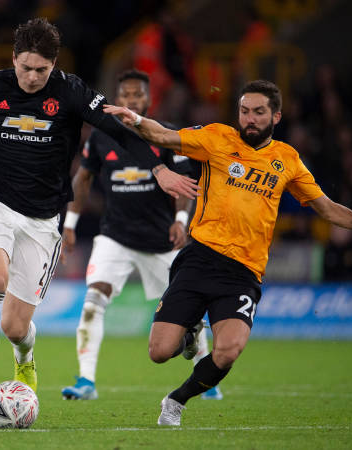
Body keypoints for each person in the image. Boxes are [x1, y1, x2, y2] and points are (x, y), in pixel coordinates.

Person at [0, 18, 199, 420]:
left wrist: (158, 168)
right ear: (14, 59)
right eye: (25, 68)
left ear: (54, 64)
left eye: (40, 70)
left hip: (42, 220)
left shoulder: (72, 91)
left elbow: (119, 131)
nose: (31, 77)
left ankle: (24, 355)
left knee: (14, 326)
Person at [103, 79, 352, 426]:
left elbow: (324, 207)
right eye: (244, 111)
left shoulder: (287, 159)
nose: (250, 118)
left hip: (243, 272)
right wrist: (138, 121)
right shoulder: (217, 138)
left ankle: (177, 400)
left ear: (276, 116)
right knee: (159, 352)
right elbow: (164, 136)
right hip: (200, 258)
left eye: (259, 112)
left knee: (228, 351)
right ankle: (190, 332)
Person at [59, 69, 222, 401]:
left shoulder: (165, 135)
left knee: (189, 313)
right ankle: (86, 381)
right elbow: (83, 180)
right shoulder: (100, 137)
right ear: (117, 99)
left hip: (161, 239)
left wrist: (180, 220)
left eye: (137, 95)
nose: (131, 100)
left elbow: (183, 181)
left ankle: (206, 378)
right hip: (115, 236)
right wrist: (70, 225)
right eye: (125, 95)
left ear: (148, 99)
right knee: (93, 300)